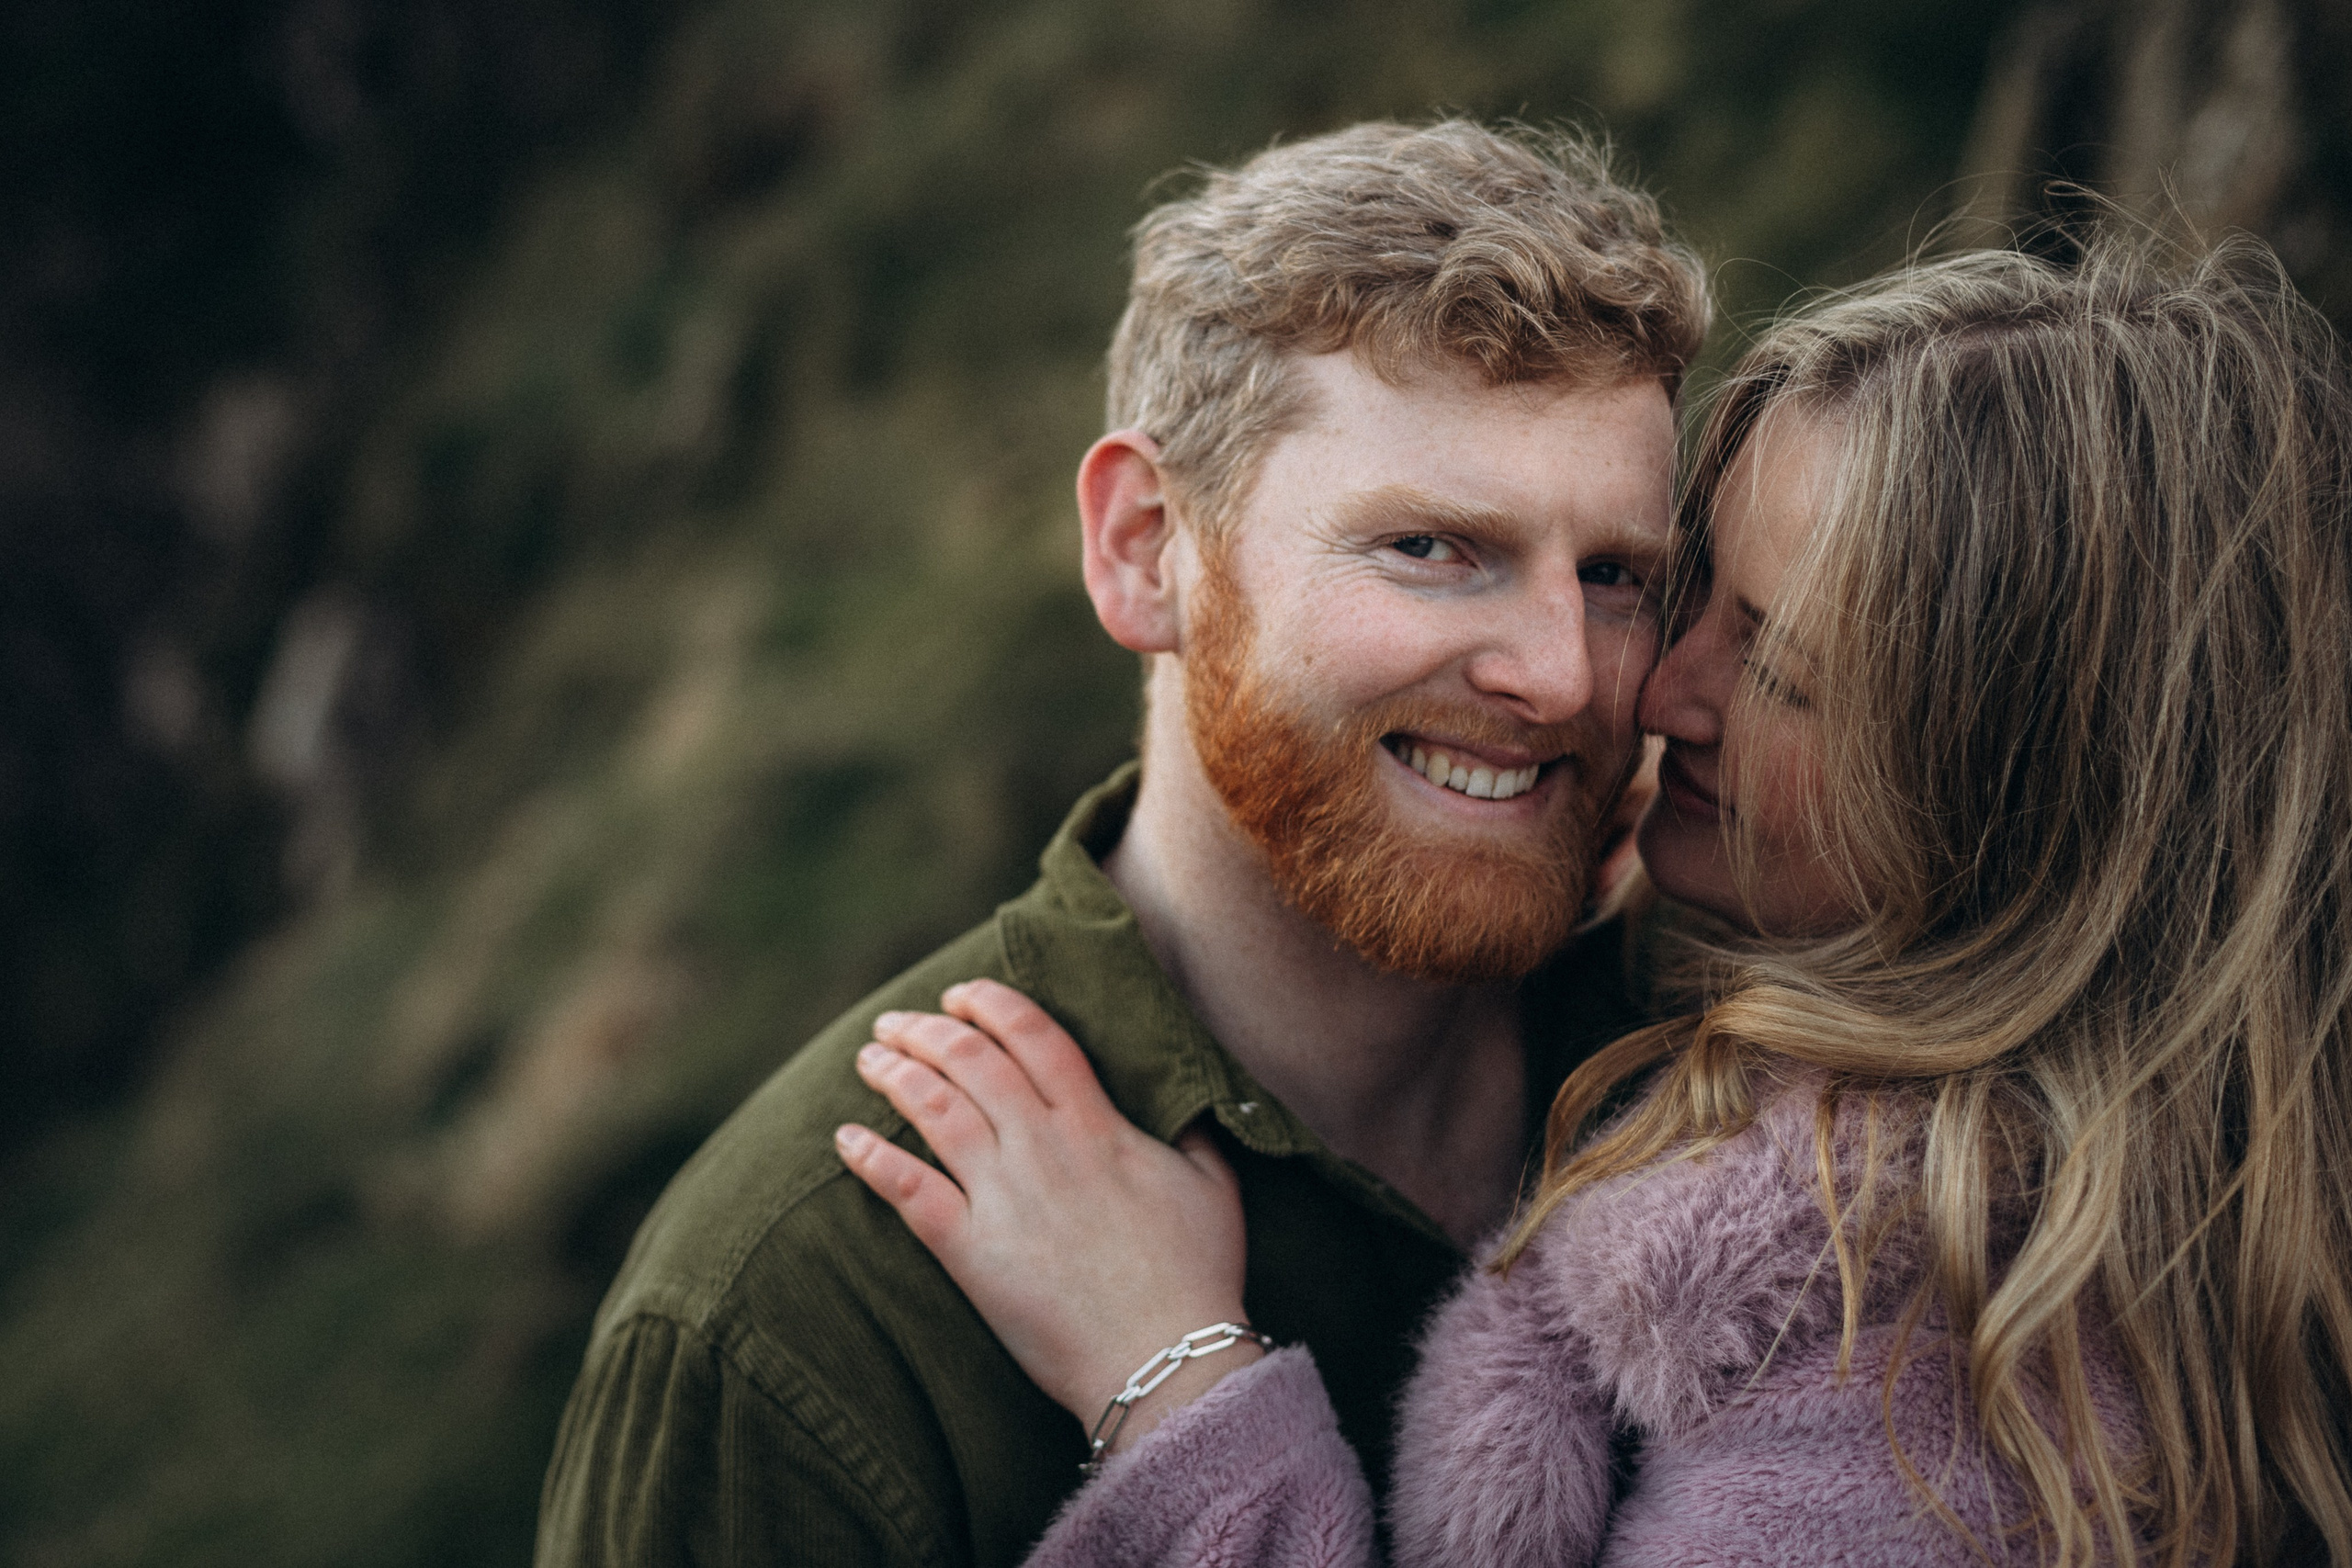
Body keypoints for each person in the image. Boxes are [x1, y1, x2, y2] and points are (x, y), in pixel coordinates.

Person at [840, 228, 2352, 1565]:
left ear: (2019, 806)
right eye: (1684, 593)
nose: (1634, 694)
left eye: (1781, 666)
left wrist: (1177, 1386)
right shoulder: (1982, 1124)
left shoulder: (1933, 1353)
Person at [533, 119, 1709, 1566]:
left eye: (1614, 577)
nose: (1564, 676)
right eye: (1431, 549)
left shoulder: (1765, 1093)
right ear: (1147, 548)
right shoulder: (801, 1308)